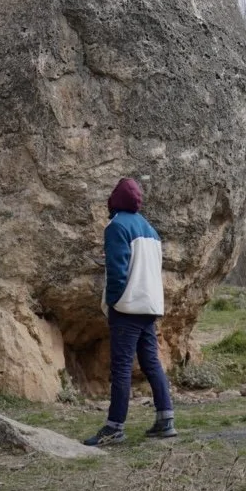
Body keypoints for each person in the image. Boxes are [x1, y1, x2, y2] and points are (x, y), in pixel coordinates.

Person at [84, 176, 176, 446]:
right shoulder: (149, 228)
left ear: (114, 201)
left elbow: (117, 270)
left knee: (122, 367)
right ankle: (165, 420)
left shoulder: (116, 227)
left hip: (127, 307)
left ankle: (114, 427)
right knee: (151, 363)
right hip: (150, 306)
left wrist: (111, 301)